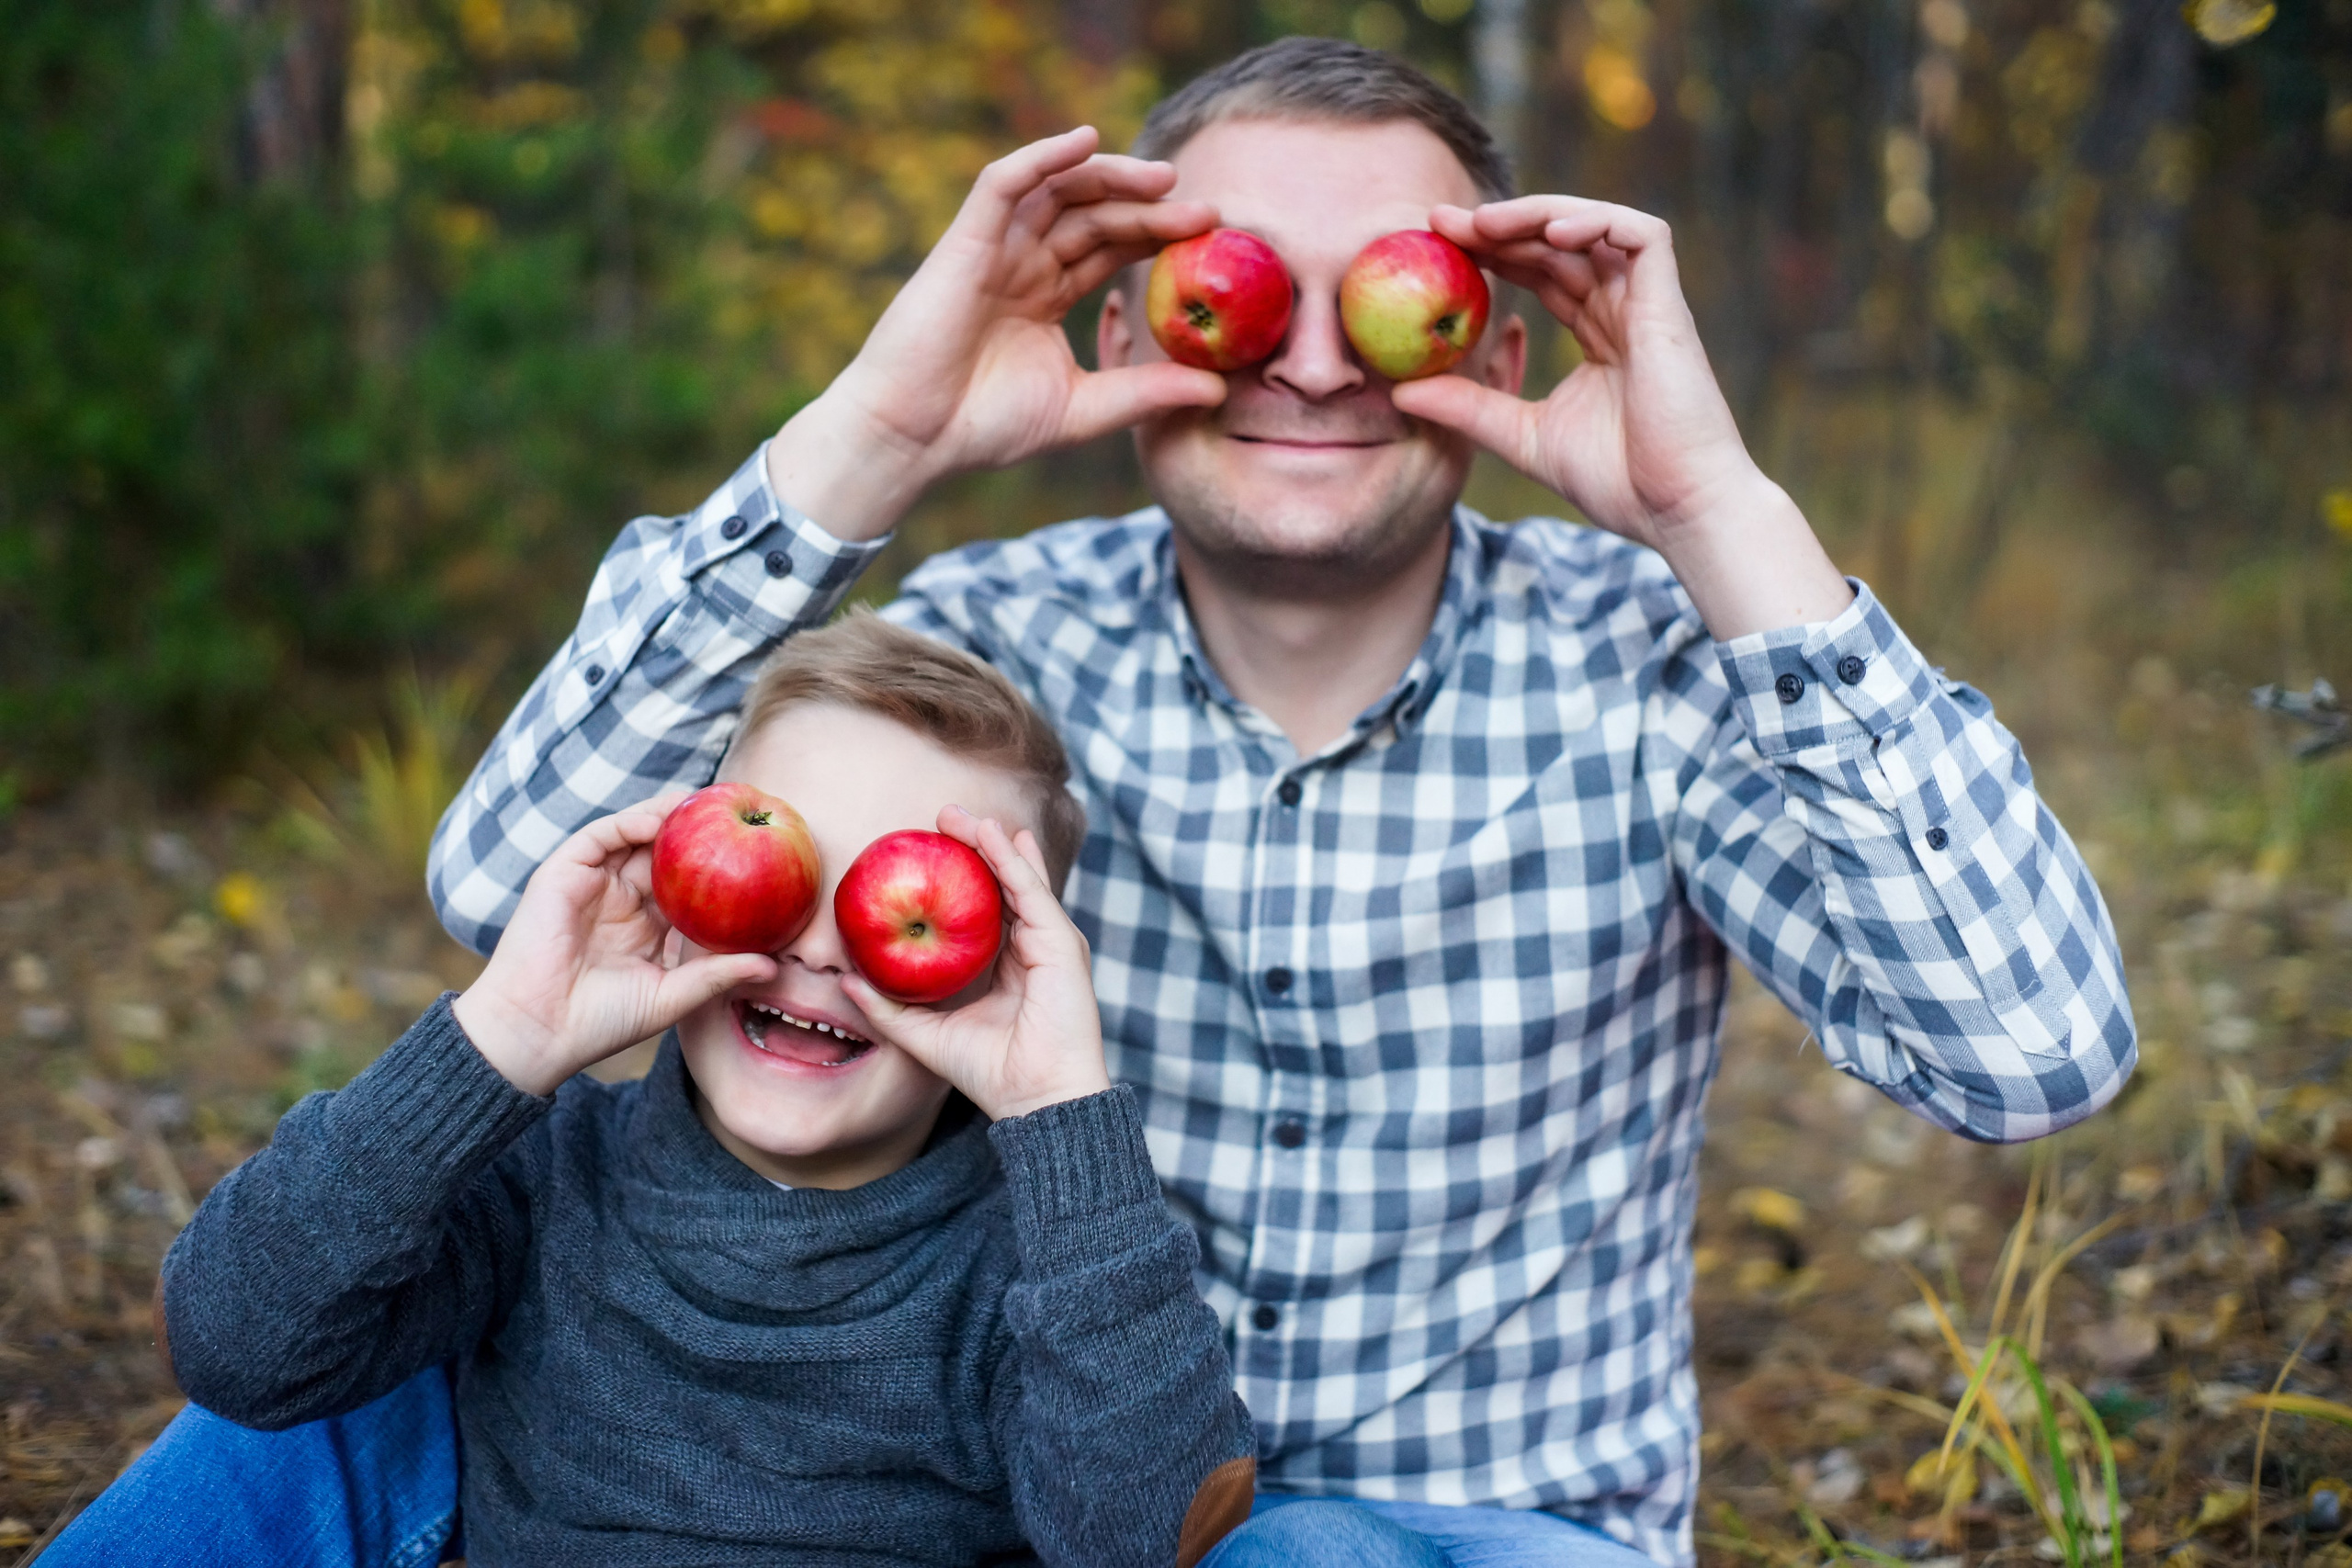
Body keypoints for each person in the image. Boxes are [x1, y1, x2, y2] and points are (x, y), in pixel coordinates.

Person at [253, 36, 2133, 1568]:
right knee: (280, 1427)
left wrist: (1719, 515)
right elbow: (514, 888)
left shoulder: (1652, 670)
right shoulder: (988, 654)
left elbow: (2032, 1052)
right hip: (1033, 1491)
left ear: (1491, 341)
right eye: (1236, 296)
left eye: (1387, 297)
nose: (1311, 358)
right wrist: (877, 439)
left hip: (1465, 1525)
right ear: (1141, 319)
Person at [49, 615, 1257, 1568]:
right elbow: (238, 1347)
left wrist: (1061, 1109)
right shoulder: (547, 1182)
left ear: (1014, 960)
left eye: (903, 907)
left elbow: (1155, 1539)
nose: (825, 954)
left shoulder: (1039, 1272)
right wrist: (503, 1040)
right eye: (786, 877)